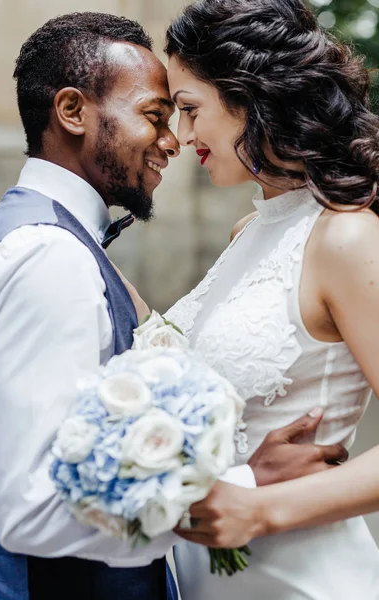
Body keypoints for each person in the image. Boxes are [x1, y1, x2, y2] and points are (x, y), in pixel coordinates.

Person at [0, 10, 345, 600]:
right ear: (71, 112)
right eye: (157, 116)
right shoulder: (52, 257)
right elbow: (31, 510)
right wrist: (241, 482)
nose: (175, 139)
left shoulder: (54, 242)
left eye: (186, 112)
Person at [164, 0, 379, 598]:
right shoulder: (247, 233)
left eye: (189, 110)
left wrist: (263, 510)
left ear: (251, 95)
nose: (181, 137)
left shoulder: (345, 234)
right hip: (211, 576)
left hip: (304, 577)